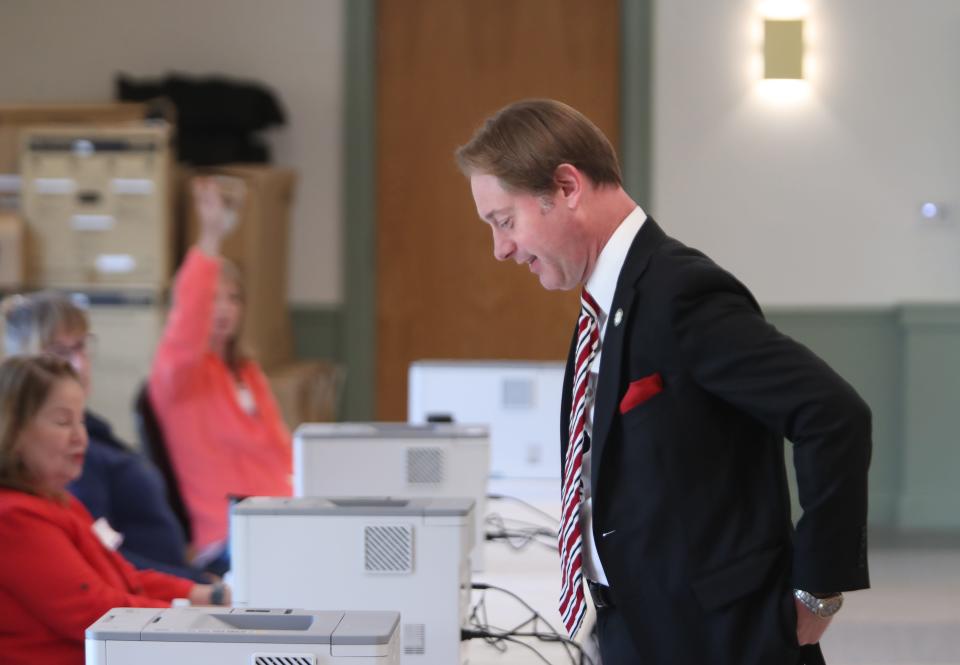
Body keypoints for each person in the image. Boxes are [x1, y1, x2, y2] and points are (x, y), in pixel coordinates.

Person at [455, 99, 872, 665]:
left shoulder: (680, 293)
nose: (501, 248)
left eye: (505, 221)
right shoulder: (605, 304)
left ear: (568, 186)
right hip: (638, 625)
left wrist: (817, 591)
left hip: (718, 639)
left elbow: (833, 414)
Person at [0, 355, 229, 665]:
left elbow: (125, 578)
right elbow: (94, 612)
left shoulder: (58, 502)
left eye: (81, 420)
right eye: (63, 422)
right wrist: (189, 617)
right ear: (13, 432)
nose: (80, 437)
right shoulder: (14, 519)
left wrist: (199, 594)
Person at [1, 292, 210, 582]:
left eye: (81, 347)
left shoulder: (95, 430)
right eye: (60, 353)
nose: (78, 365)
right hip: (146, 602)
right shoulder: (60, 456)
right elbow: (96, 561)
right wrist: (197, 586)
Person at [149, 177, 291, 567]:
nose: (225, 308)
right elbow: (186, 325)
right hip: (227, 538)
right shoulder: (178, 378)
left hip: (278, 520)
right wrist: (211, 236)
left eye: (233, 298)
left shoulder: (245, 371)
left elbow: (284, 457)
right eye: (214, 298)